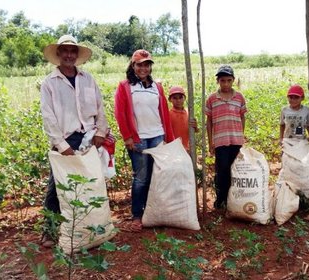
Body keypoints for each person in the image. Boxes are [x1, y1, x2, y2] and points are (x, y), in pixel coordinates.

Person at [39, 34, 109, 247]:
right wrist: (61, 145)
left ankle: (91, 229)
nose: (69, 55)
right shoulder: (49, 83)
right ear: (59, 54)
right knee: (57, 186)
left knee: (92, 183)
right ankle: (49, 231)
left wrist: (101, 133)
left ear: (77, 55)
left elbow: (100, 107)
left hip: (89, 138)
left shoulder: (88, 79)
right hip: (66, 140)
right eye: (65, 51)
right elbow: (48, 116)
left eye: (73, 51)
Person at [114, 49, 174, 232]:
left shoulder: (157, 87)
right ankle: (137, 215)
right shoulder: (125, 86)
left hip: (157, 135)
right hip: (139, 138)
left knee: (157, 176)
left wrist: (168, 138)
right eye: (140, 64)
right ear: (133, 66)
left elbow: (163, 113)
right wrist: (128, 137)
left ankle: (154, 212)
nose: (144, 68)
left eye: (147, 64)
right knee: (141, 177)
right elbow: (120, 113)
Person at [205, 65, 247, 209]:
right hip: (220, 141)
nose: (226, 84)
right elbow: (209, 122)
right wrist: (210, 141)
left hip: (236, 140)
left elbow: (242, 117)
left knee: (235, 169)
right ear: (218, 81)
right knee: (221, 169)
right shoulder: (212, 99)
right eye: (223, 81)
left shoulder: (239, 97)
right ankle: (221, 198)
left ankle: (232, 198)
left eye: (229, 80)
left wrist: (241, 135)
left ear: (233, 80)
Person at [168, 86, 198, 151]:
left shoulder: (188, 113)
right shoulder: (169, 114)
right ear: (170, 100)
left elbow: (195, 131)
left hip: (187, 148)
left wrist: (195, 126)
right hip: (174, 149)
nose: (178, 100)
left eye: (180, 97)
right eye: (175, 98)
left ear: (184, 98)